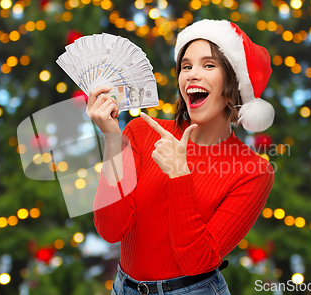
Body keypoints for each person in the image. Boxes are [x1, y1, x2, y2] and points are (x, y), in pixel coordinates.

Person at [87, 19, 275, 295]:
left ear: (234, 81)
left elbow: (197, 260)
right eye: (186, 66)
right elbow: (111, 230)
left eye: (208, 65)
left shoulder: (253, 171)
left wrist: (179, 175)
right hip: (123, 287)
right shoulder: (141, 132)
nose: (192, 75)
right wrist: (113, 141)